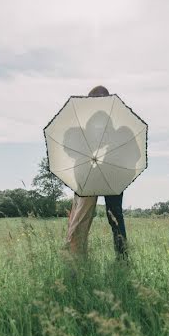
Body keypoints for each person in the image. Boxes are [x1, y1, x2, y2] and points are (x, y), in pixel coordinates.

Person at [65, 85, 128, 259]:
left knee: (114, 217)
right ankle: (76, 254)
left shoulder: (118, 121)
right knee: (82, 214)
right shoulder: (87, 121)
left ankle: (122, 258)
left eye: (100, 98)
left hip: (113, 174)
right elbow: (74, 145)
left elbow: (129, 149)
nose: (97, 102)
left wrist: (110, 148)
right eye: (93, 99)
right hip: (89, 173)